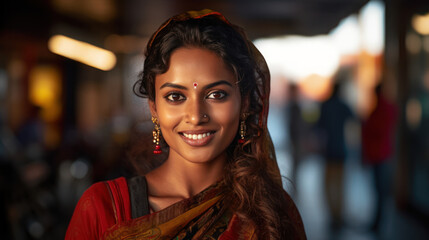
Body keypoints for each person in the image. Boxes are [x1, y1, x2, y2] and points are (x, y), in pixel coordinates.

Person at [65, 9, 306, 240]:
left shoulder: (271, 212)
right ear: (154, 109)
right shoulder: (102, 209)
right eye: (175, 97)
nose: (195, 115)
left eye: (216, 95)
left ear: (244, 104)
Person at [317, 82, 353, 231]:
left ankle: (333, 215)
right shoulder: (344, 106)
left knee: (328, 185)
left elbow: (318, 126)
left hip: (329, 152)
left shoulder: (325, 105)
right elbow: (354, 118)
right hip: (341, 151)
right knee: (340, 185)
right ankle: (339, 214)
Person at [361, 84, 397, 233]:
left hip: (379, 155)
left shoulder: (382, 108)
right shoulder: (384, 107)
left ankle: (378, 223)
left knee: (380, 191)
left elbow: (376, 129)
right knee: (379, 190)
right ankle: (377, 222)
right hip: (381, 154)